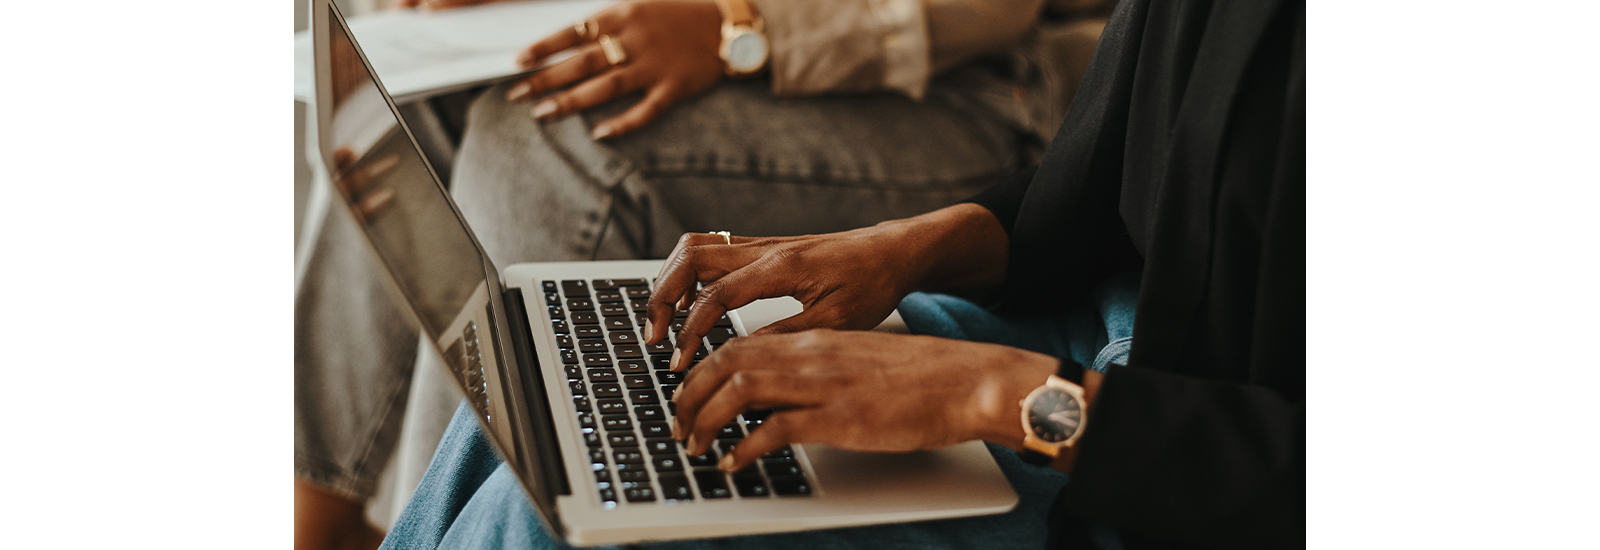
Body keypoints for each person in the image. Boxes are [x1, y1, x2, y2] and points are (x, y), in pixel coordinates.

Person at [378, 0, 1304, 548]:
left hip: (1158, 452)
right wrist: (916, 243)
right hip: (1083, 335)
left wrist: (995, 393)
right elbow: (1136, 192)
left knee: (560, 512)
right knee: (546, 386)